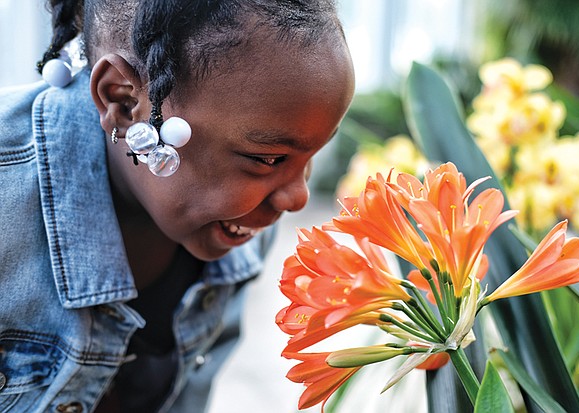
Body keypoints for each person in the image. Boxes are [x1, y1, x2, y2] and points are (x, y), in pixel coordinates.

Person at [0, 0, 354, 411]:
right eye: (269, 159)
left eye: (311, 159)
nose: (297, 198)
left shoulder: (238, 229)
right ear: (125, 102)